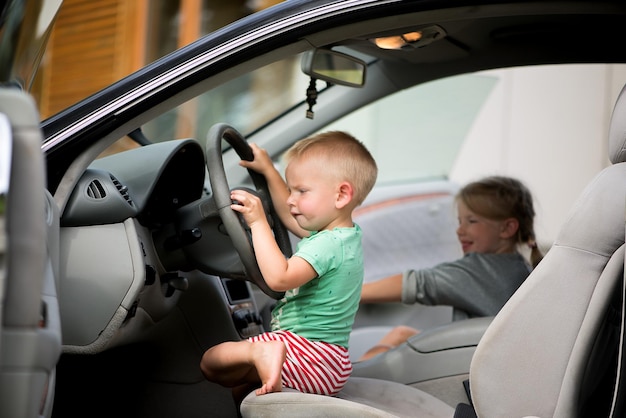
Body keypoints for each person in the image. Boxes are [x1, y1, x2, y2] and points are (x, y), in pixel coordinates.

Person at [200, 131, 378, 400]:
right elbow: (292, 218)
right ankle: (261, 359)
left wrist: (258, 222)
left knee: (211, 361)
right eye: (291, 189)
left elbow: (279, 279)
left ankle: (262, 351)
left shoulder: (326, 244)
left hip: (306, 354)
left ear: (341, 195)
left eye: (302, 191)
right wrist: (269, 171)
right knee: (240, 385)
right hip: (329, 364)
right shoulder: (342, 236)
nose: (292, 200)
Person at [358, 175, 543, 361]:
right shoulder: (518, 266)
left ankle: (341, 387)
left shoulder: (479, 270)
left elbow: (418, 283)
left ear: (507, 228)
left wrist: (348, 293)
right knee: (402, 334)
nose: (459, 230)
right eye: (460, 221)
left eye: (471, 221)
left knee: (377, 356)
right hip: (481, 361)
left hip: (465, 371)